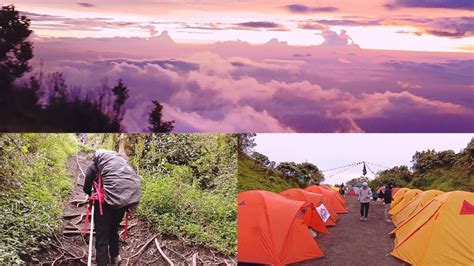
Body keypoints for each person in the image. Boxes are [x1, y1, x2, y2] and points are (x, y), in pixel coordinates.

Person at [83, 150, 141, 266]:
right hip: (121, 204)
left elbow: (86, 187)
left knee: (102, 236)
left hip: (103, 205)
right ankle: (115, 257)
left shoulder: (94, 167)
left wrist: (90, 193)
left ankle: (102, 263)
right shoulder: (121, 165)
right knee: (113, 229)